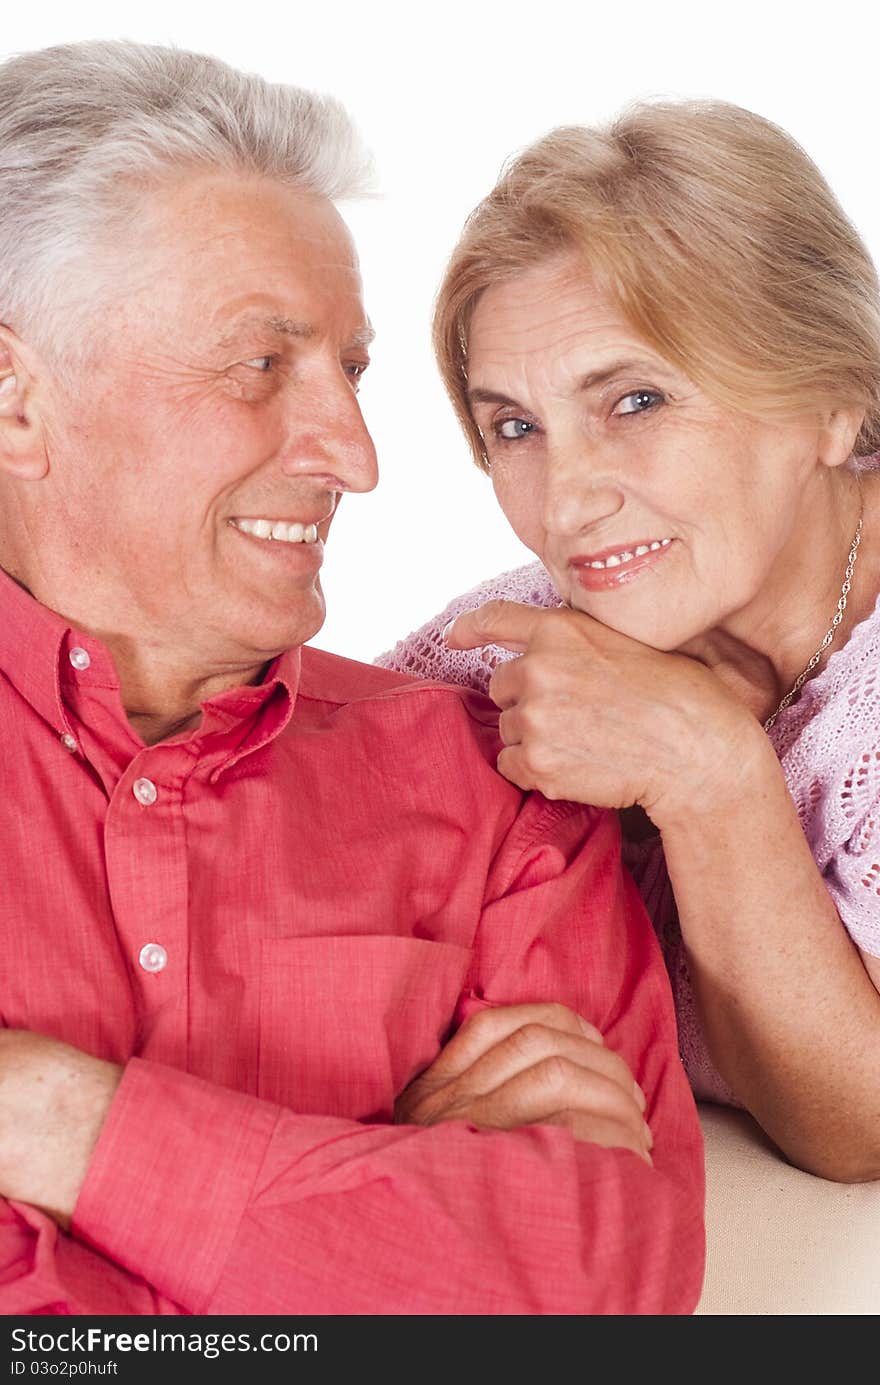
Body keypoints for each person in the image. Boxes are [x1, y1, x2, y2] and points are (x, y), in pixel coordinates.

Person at [0, 41, 703, 1316]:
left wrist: (62, 1120)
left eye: (352, 370)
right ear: (14, 397)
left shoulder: (500, 787)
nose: (357, 456)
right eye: (261, 364)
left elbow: (606, 1274)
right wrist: (383, 1195)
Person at [378, 102, 880, 1184]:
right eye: (514, 425)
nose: (566, 499)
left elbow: (862, 1125)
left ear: (834, 401)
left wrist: (708, 773)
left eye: (636, 399)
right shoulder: (527, 638)